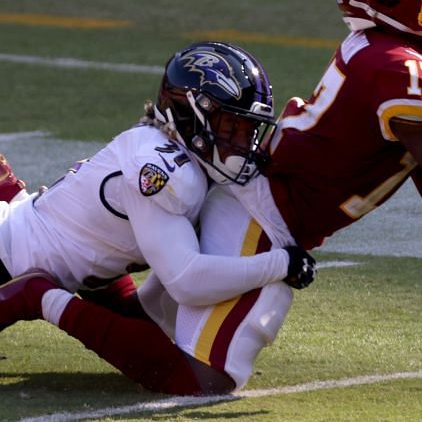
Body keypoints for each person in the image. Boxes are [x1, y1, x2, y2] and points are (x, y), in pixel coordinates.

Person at [0, 0, 422, 396]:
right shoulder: (398, 68)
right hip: (266, 215)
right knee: (205, 380)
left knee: (155, 319)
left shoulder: (402, 54)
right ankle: (41, 297)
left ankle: (71, 292)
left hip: (270, 202)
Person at [0, 41, 316, 393]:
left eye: (248, 130)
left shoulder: (175, 156)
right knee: (178, 372)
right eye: (230, 128)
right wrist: (279, 264)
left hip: (62, 255)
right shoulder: (163, 168)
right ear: (189, 114)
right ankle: (37, 295)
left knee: (155, 339)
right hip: (14, 259)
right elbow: (187, 282)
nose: (241, 144)